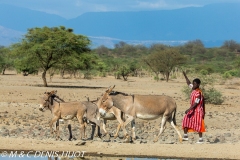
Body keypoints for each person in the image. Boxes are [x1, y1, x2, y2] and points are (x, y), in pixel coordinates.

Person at [182, 71, 205, 143]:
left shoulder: (199, 93)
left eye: (195, 84)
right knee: (186, 120)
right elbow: (188, 83)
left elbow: (196, 103)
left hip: (197, 110)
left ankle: (200, 139)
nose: (193, 85)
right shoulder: (193, 89)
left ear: (198, 84)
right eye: (193, 83)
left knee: (198, 124)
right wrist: (185, 76)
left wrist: (189, 109)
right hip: (192, 110)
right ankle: (185, 136)